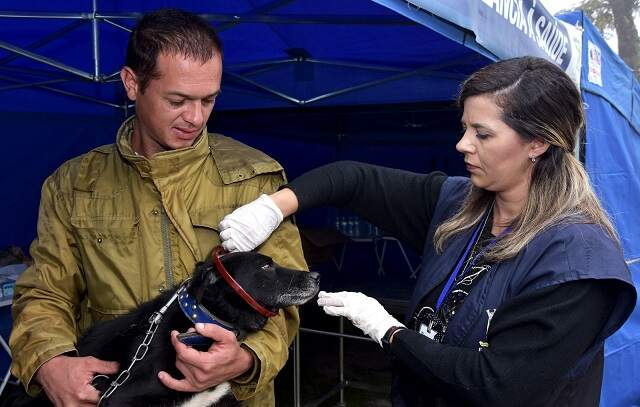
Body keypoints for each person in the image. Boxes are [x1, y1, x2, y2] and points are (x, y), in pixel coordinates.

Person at [218, 57, 637, 406]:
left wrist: (390, 332)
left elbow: (498, 386)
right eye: (465, 128)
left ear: (537, 144)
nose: (462, 144)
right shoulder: (458, 204)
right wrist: (272, 207)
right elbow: (352, 179)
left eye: (483, 134)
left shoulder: (577, 263)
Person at [9, 9, 307, 407]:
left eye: (209, 100)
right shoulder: (74, 185)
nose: (196, 117)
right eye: (178, 100)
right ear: (132, 84)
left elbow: (286, 292)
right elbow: (46, 292)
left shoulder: (254, 180)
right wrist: (50, 361)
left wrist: (246, 359)